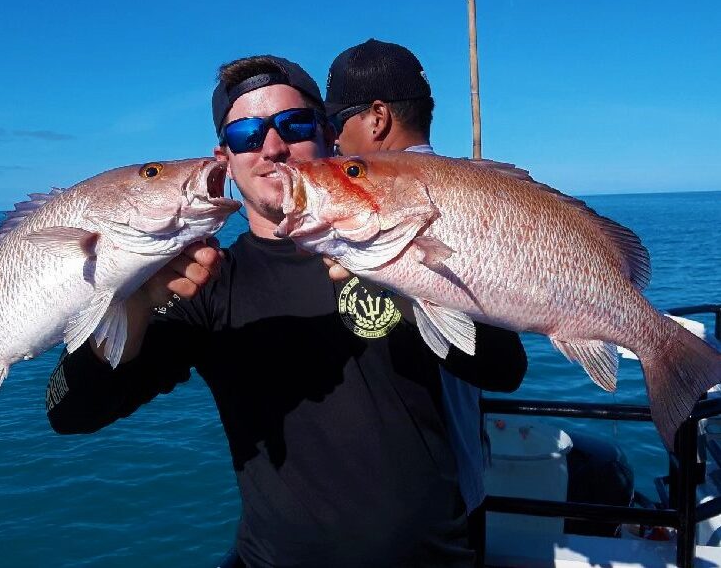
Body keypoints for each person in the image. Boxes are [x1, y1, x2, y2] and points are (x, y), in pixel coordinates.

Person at [46, 54, 524, 567]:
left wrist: (409, 294)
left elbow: (504, 368)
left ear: (326, 137)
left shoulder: (394, 250)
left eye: (293, 125)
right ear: (224, 157)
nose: (273, 147)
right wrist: (134, 305)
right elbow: (70, 411)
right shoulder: (205, 284)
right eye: (247, 133)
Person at [324, 37, 527, 547]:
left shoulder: (385, 206)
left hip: (439, 505)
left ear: (376, 118)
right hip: (461, 490)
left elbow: (504, 365)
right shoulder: (485, 189)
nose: (331, 143)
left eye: (334, 125)